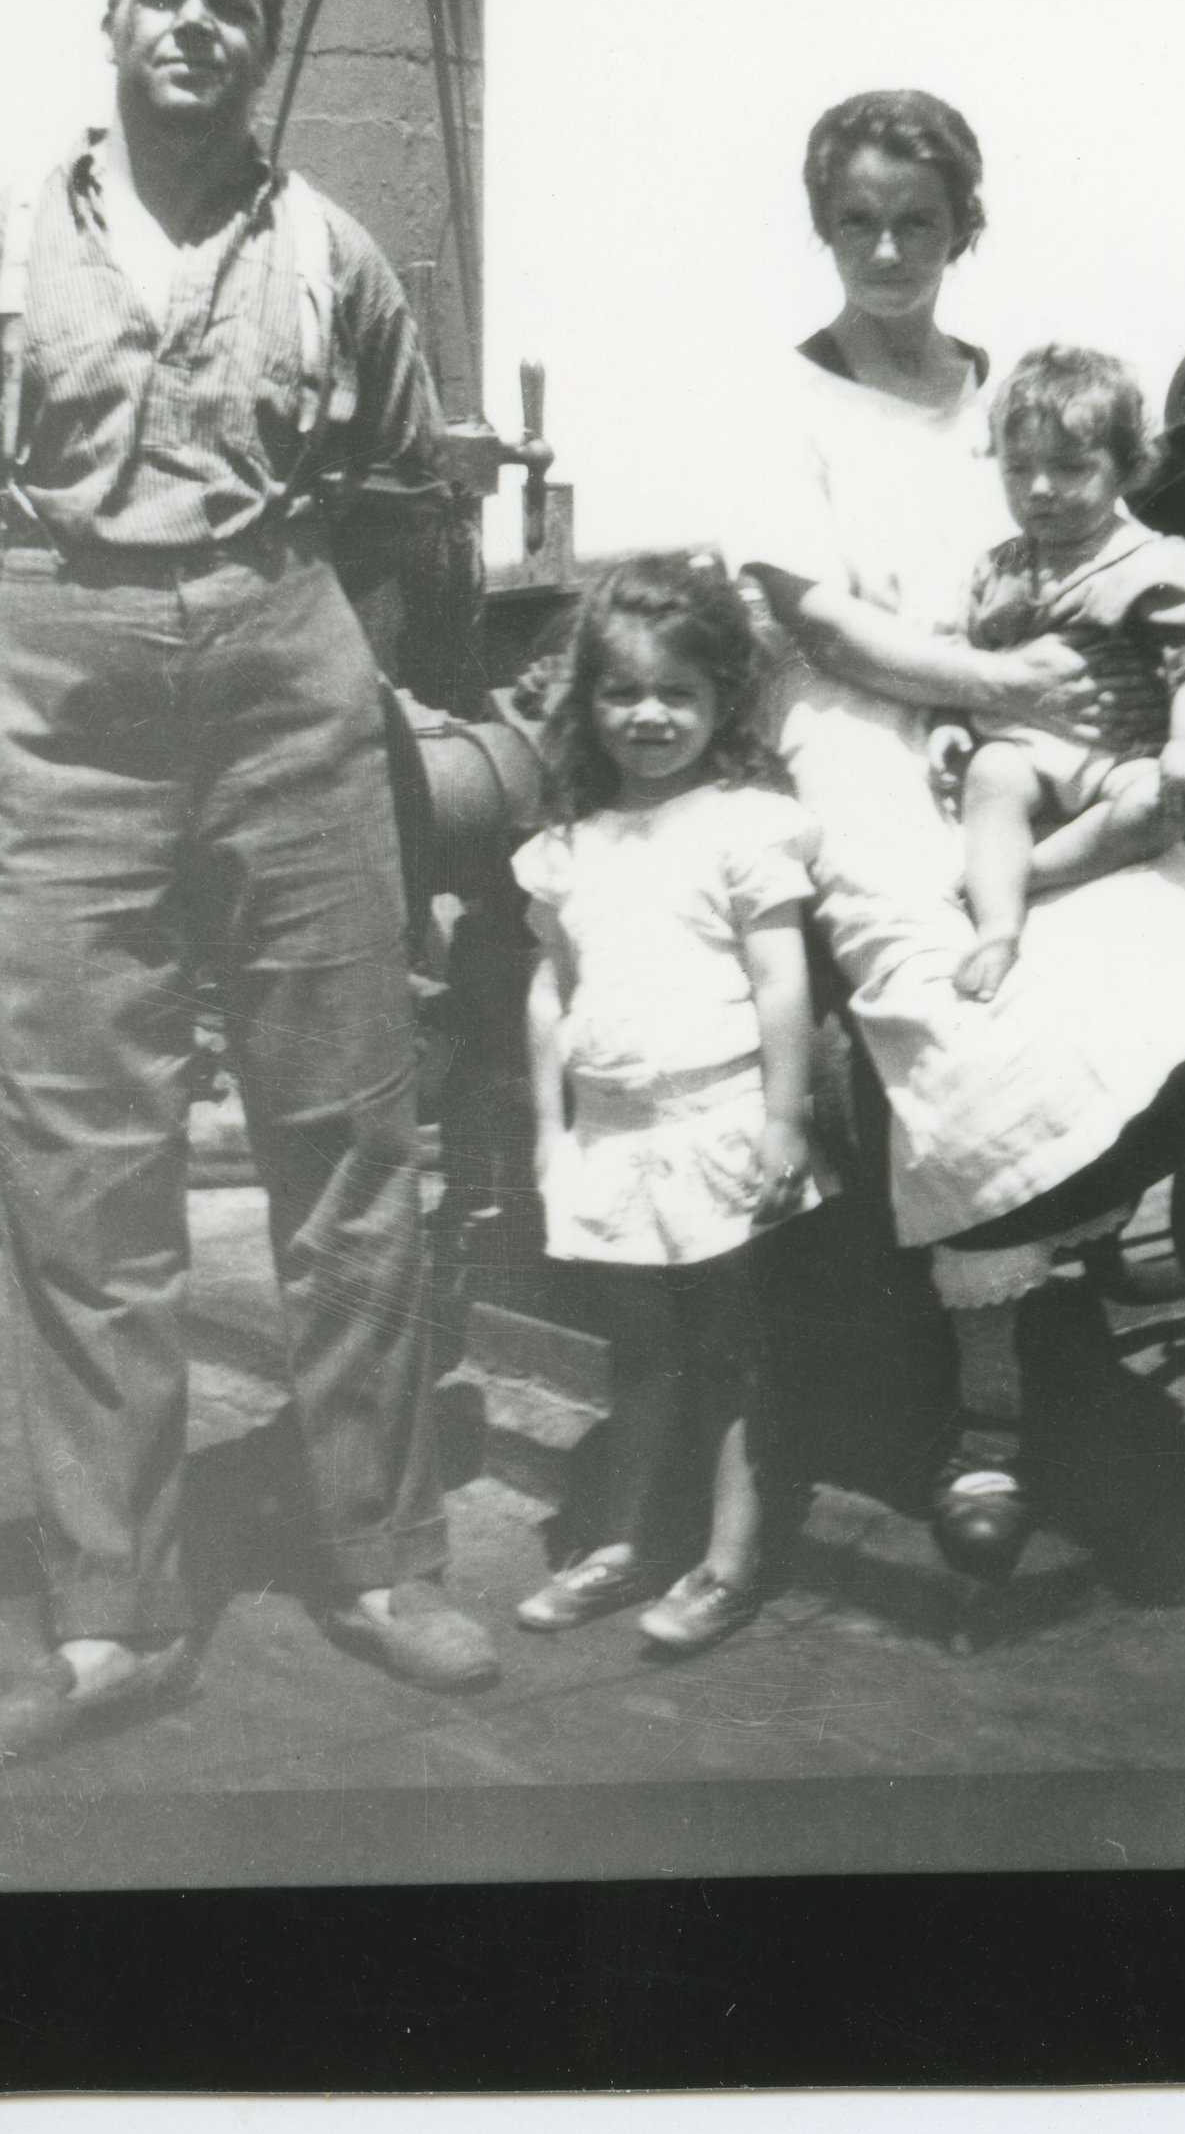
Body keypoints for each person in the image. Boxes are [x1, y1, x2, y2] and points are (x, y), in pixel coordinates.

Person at [0, 0, 499, 1771]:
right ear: (111, 14)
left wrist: (340, 695)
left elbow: (405, 501)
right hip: (59, 691)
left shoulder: (332, 253)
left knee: (348, 1144)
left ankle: (381, 1560)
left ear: (260, 39)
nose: (198, 17)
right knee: (81, 1171)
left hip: (292, 681)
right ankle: (115, 1618)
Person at [738, 90, 1185, 1579]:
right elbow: (816, 615)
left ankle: (1049, 1312)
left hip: (1048, 727)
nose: (889, 249)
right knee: (962, 1003)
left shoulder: (1007, 401)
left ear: (964, 230)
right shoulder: (784, 399)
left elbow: (1091, 568)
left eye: (918, 222)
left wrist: (1149, 724)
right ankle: (975, 1398)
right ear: (824, 229)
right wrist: (990, 688)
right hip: (868, 732)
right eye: (859, 221)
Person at [509, 555, 818, 1656]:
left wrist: (783, 1122)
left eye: (677, 694)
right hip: (612, 1132)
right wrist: (550, 1128)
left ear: (720, 700)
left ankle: (730, 1562)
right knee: (636, 1350)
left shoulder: (743, 824)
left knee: (732, 1348)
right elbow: (553, 989)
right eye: (623, 693)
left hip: (715, 1122)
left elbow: (782, 978)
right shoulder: (568, 847)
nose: (649, 716)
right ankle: (627, 1539)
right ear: (585, 705)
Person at [942, 345, 1185, 1004]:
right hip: (1029, 752)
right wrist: (949, 726)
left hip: (1119, 754)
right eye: (1019, 469)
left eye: (1070, 468)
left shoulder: (1152, 562)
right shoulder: (999, 568)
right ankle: (997, 928)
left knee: (1158, 804)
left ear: (1127, 467)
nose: (1040, 488)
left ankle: (1028, 872)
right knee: (991, 774)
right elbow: (971, 656)